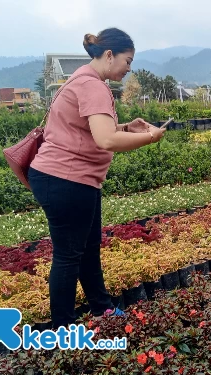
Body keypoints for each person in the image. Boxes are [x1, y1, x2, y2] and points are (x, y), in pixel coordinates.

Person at [28, 27, 165, 329]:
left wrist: (127, 127)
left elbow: (89, 131)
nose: (129, 69)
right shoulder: (93, 86)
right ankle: (62, 330)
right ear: (108, 55)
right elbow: (105, 140)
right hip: (66, 179)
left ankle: (102, 309)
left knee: (87, 249)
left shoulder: (83, 79)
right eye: (127, 61)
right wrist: (150, 138)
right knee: (68, 256)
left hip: (72, 179)